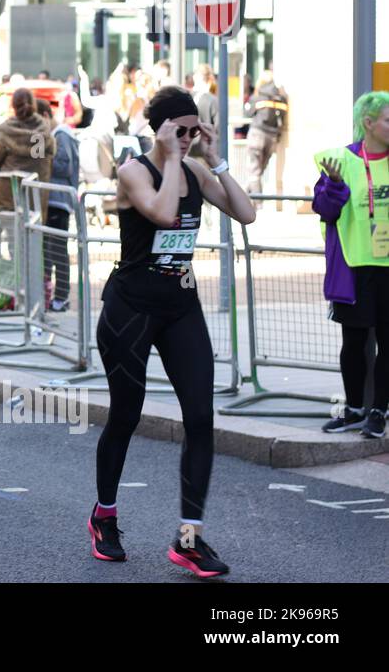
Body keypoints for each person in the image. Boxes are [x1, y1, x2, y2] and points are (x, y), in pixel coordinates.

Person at [87, 86, 255, 578]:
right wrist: (173, 156)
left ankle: (189, 538)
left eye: (192, 129)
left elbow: (246, 214)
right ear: (156, 129)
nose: (187, 137)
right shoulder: (134, 170)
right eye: (178, 130)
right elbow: (161, 212)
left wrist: (216, 159)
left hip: (180, 304)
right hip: (130, 306)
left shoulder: (198, 169)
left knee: (201, 417)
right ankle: (105, 516)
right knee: (126, 414)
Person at [316, 92, 389, 438]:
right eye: (388, 119)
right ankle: (354, 409)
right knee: (354, 342)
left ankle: (379, 412)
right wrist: (335, 185)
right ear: (369, 124)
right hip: (355, 267)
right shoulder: (339, 161)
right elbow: (325, 211)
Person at [0, 88, 56, 299]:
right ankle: (34, 297)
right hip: (37, 199)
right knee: (33, 249)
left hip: (10, 199)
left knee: (15, 248)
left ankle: (18, 296)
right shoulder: (44, 131)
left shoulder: (5, 132)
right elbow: (45, 159)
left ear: (13, 106)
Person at [43, 97, 80, 312]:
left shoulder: (62, 135)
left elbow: (64, 167)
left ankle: (62, 296)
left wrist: (44, 158)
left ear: (47, 116)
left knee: (58, 251)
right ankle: (52, 293)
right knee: (49, 250)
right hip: (51, 199)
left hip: (60, 201)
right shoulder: (50, 135)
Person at [243, 70, 289, 195]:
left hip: (257, 134)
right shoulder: (281, 99)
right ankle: (247, 197)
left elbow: (247, 112)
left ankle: (257, 203)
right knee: (259, 171)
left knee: (254, 172)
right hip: (272, 138)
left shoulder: (258, 97)